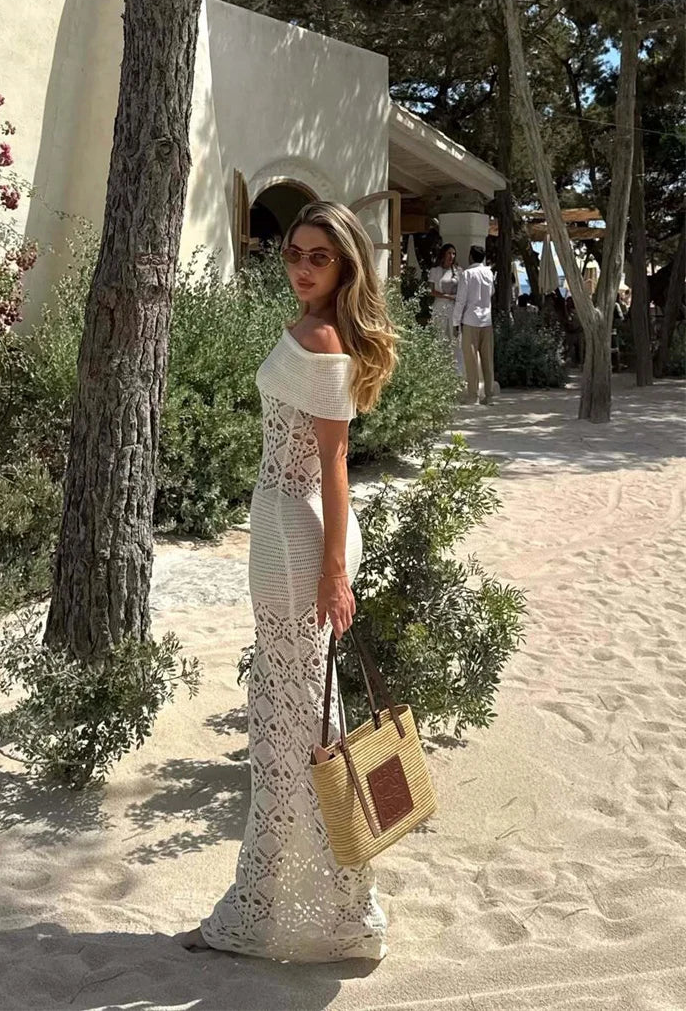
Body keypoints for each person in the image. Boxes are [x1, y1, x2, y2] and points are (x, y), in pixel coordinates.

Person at [176, 201, 398, 962]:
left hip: (300, 538)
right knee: (290, 724)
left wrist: (335, 573)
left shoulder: (327, 342)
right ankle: (278, 904)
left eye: (319, 258)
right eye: (295, 252)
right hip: (282, 527)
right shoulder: (311, 330)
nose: (300, 268)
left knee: (299, 731)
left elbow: (335, 466)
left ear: (346, 268)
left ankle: (332, 911)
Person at [453, 245, 495, 405]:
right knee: (487, 359)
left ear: (471, 257)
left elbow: (461, 300)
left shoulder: (467, 274)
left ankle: (473, 396)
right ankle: (489, 395)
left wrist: (456, 322)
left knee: (471, 360)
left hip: (470, 320)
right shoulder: (489, 273)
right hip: (487, 320)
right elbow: (491, 292)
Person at [428, 243, 461, 341]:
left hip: (454, 307)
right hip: (440, 306)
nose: (451, 256)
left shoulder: (458, 271)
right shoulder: (435, 271)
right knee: (440, 335)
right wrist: (447, 296)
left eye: (453, 254)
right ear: (444, 254)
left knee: (454, 336)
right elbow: (431, 291)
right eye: (449, 253)